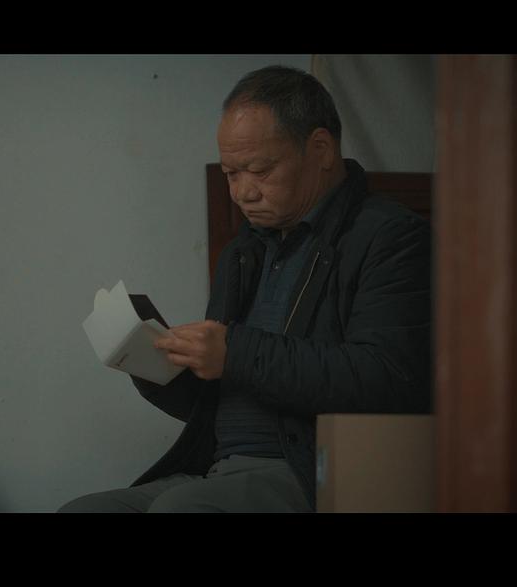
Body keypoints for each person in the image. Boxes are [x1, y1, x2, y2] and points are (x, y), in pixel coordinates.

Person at [59, 65, 431, 513]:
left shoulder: (390, 237)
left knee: (180, 510)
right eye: (231, 174)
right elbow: (219, 403)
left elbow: (387, 378)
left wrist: (233, 352)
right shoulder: (243, 252)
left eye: (258, 170)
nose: (241, 193)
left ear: (320, 149)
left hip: (318, 470)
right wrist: (154, 365)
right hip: (218, 469)